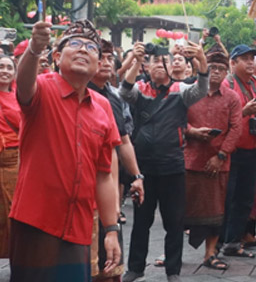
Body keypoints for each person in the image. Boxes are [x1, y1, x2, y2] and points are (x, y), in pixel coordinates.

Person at [11, 20, 121, 282]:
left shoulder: (103, 107)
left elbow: (104, 175)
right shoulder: (43, 87)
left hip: (79, 227)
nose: (84, 50)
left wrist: (111, 229)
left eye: (91, 48)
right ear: (57, 56)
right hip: (36, 222)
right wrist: (35, 49)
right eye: (74, 44)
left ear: (98, 63)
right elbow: (24, 87)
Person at [120, 40, 209, 282]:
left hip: (172, 166)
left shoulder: (181, 90)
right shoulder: (140, 87)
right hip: (144, 168)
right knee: (141, 222)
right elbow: (124, 92)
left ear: (171, 66)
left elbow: (201, 89)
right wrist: (136, 59)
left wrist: (201, 61)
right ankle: (135, 267)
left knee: (174, 222)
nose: (160, 65)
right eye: (154, 61)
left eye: (164, 61)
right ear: (147, 67)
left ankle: (173, 271)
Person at [88, 39, 145, 281]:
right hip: (82, 181)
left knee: (111, 240)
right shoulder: (80, 92)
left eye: (110, 58)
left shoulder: (113, 97)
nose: (105, 62)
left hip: (109, 179)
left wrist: (137, 176)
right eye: (100, 56)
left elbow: (124, 140)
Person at [184, 46, 242, 271]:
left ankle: (210, 254)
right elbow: (177, 119)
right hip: (190, 158)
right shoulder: (189, 91)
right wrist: (192, 132)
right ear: (202, 67)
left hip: (218, 162)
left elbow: (236, 128)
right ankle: (171, 252)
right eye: (212, 67)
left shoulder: (232, 97)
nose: (216, 72)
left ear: (227, 72)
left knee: (217, 211)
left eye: (221, 68)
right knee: (180, 209)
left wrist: (221, 155)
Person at [221, 44, 256, 258]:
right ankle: (223, 240)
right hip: (230, 149)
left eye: (252, 58)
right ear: (233, 63)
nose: (250, 63)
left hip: (253, 146)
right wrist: (243, 112)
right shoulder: (227, 85)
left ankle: (236, 240)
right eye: (244, 59)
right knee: (229, 196)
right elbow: (219, 116)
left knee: (246, 196)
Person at [0, 55, 20, 258]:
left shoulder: (19, 97)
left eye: (9, 67)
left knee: (12, 211)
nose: (4, 71)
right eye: (0, 67)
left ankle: (17, 259)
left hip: (13, 159)